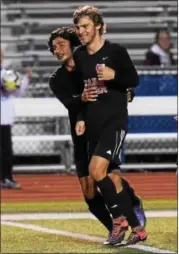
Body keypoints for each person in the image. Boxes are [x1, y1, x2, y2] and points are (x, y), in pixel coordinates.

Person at [47, 27, 146, 245]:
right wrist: (80, 98)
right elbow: (70, 103)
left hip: (103, 128)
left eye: (61, 45)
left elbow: (120, 82)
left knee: (108, 175)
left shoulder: (90, 62)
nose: (57, 50)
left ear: (73, 45)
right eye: (54, 48)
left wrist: (128, 91)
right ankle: (118, 224)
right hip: (80, 136)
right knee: (89, 192)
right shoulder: (56, 79)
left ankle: (128, 210)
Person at [73, 6, 147, 245]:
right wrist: (82, 109)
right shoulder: (80, 55)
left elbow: (133, 80)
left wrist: (114, 76)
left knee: (96, 171)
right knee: (112, 178)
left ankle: (118, 221)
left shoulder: (116, 51)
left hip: (114, 122)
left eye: (85, 26)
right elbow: (81, 88)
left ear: (97, 26)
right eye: (78, 27)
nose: (81, 31)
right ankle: (138, 229)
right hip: (93, 123)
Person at [0, 49, 32, 189]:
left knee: (5, 150)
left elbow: (17, 92)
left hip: (4, 118)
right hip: (3, 118)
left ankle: (6, 178)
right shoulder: (5, 74)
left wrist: (26, 79)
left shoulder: (7, 74)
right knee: (5, 150)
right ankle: (6, 178)